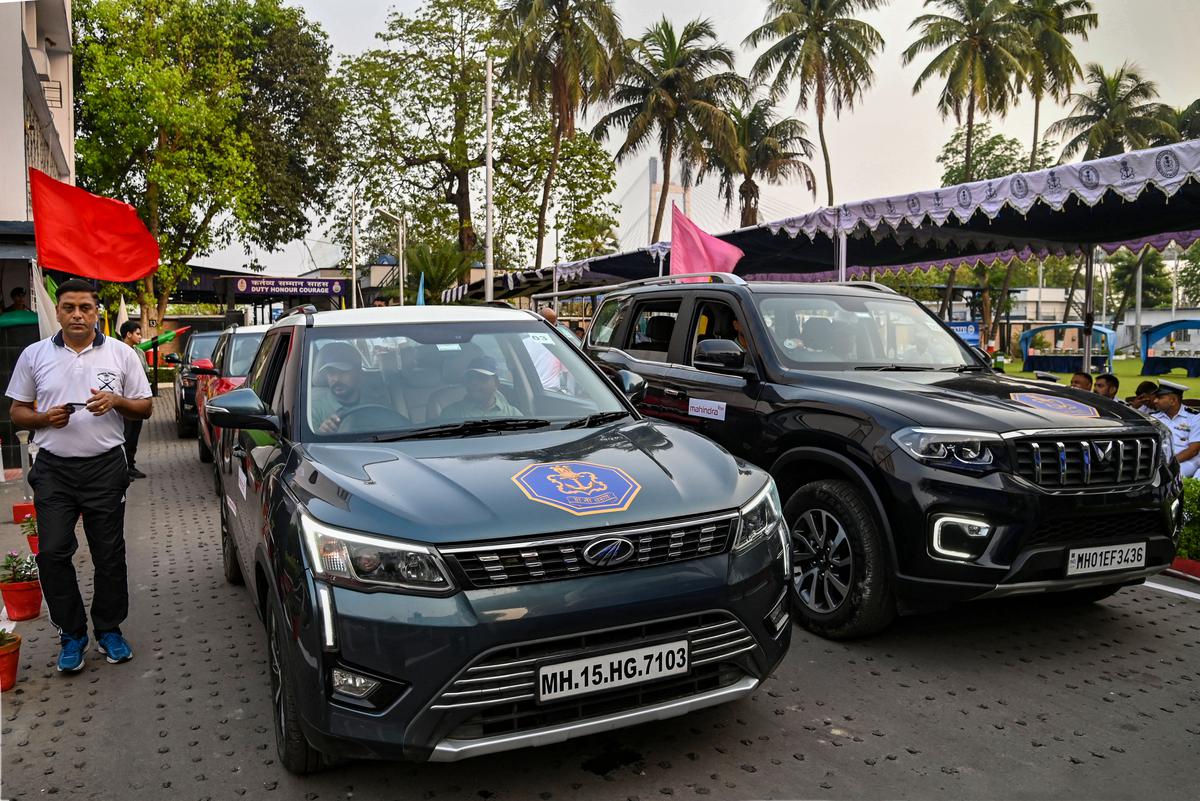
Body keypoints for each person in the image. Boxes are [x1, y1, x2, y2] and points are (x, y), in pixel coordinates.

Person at [4, 278, 152, 672]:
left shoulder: (121, 354)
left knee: (108, 553)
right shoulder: (34, 355)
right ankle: (71, 635)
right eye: (69, 307)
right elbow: (17, 411)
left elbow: (147, 407)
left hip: (105, 466)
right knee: (52, 551)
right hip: (53, 469)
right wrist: (42, 418)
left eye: (85, 307)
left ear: (96, 311)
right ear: (58, 310)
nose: (77, 315)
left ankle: (108, 629)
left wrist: (117, 401)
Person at [439, 357, 521, 420]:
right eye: (470, 377)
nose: (474, 382)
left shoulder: (512, 414)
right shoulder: (451, 415)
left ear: (496, 383)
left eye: (482, 377)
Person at [119, 321, 149, 479]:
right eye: (137, 333)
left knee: (134, 435)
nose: (140, 336)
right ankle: (122, 469)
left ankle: (131, 465)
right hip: (124, 401)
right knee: (125, 434)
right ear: (128, 334)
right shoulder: (117, 352)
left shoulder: (140, 352)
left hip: (139, 401)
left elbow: (145, 373)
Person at [1152, 381, 1200, 477]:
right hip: (1159, 461)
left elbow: (1193, 450)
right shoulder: (1153, 418)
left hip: (1187, 461)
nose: (1155, 401)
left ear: (1173, 400)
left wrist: (1168, 463)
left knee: (1169, 476)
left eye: (1160, 398)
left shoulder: (1195, 417)